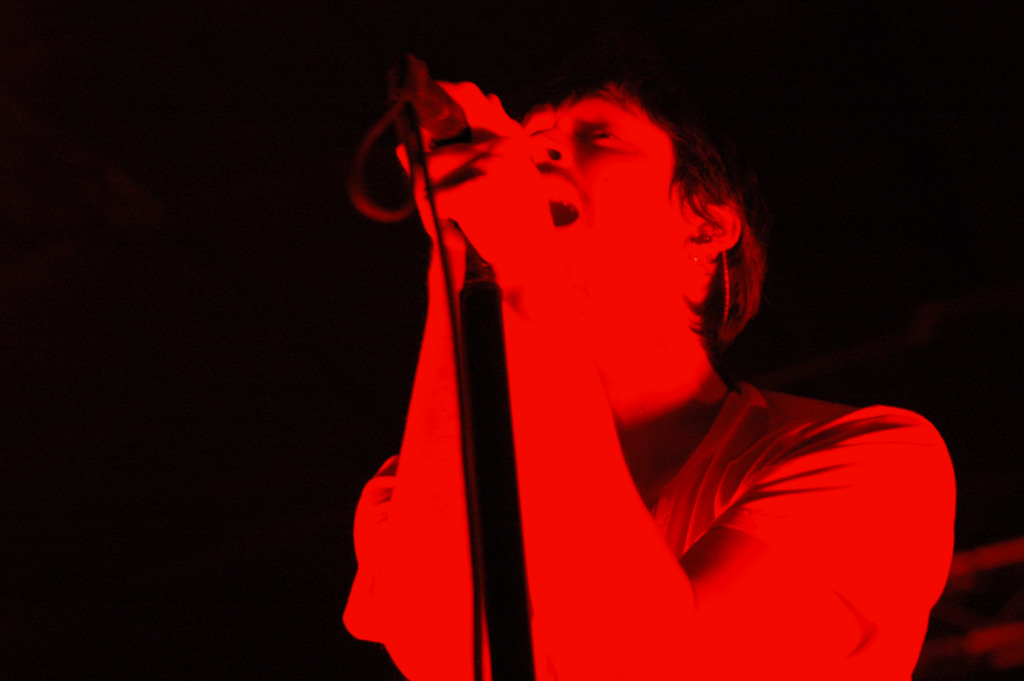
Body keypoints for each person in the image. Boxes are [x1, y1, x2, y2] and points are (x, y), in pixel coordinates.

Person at [343, 46, 955, 681]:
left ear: (706, 226)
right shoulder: (415, 480)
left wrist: (523, 255)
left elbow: (658, 661)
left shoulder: (875, 460)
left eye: (598, 134)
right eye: (530, 135)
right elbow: (439, 653)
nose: (536, 148)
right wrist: (460, 251)